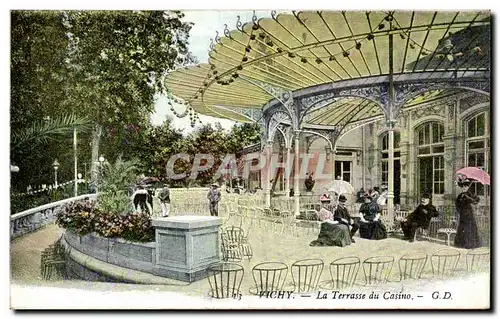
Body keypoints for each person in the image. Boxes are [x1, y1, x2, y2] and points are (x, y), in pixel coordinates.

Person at [454, 179, 482, 249]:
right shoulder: (460, 195)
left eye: (465, 186)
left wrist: (469, 198)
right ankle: (461, 244)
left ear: (467, 187)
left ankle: (471, 244)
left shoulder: (470, 194)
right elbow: (457, 204)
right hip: (462, 214)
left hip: (469, 214)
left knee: (469, 228)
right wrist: (459, 210)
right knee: (462, 228)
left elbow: (476, 201)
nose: (464, 188)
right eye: (462, 186)